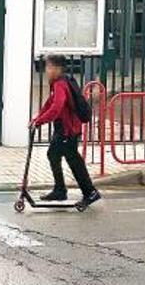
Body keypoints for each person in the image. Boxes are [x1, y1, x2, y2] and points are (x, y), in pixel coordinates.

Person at [30, 55, 101, 207]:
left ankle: (87, 192)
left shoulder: (60, 84)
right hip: (66, 128)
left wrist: (40, 121)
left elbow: (56, 107)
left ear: (57, 68)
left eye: (49, 67)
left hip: (67, 129)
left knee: (69, 159)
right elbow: (49, 103)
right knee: (63, 157)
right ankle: (63, 189)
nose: (47, 71)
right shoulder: (60, 82)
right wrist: (37, 117)